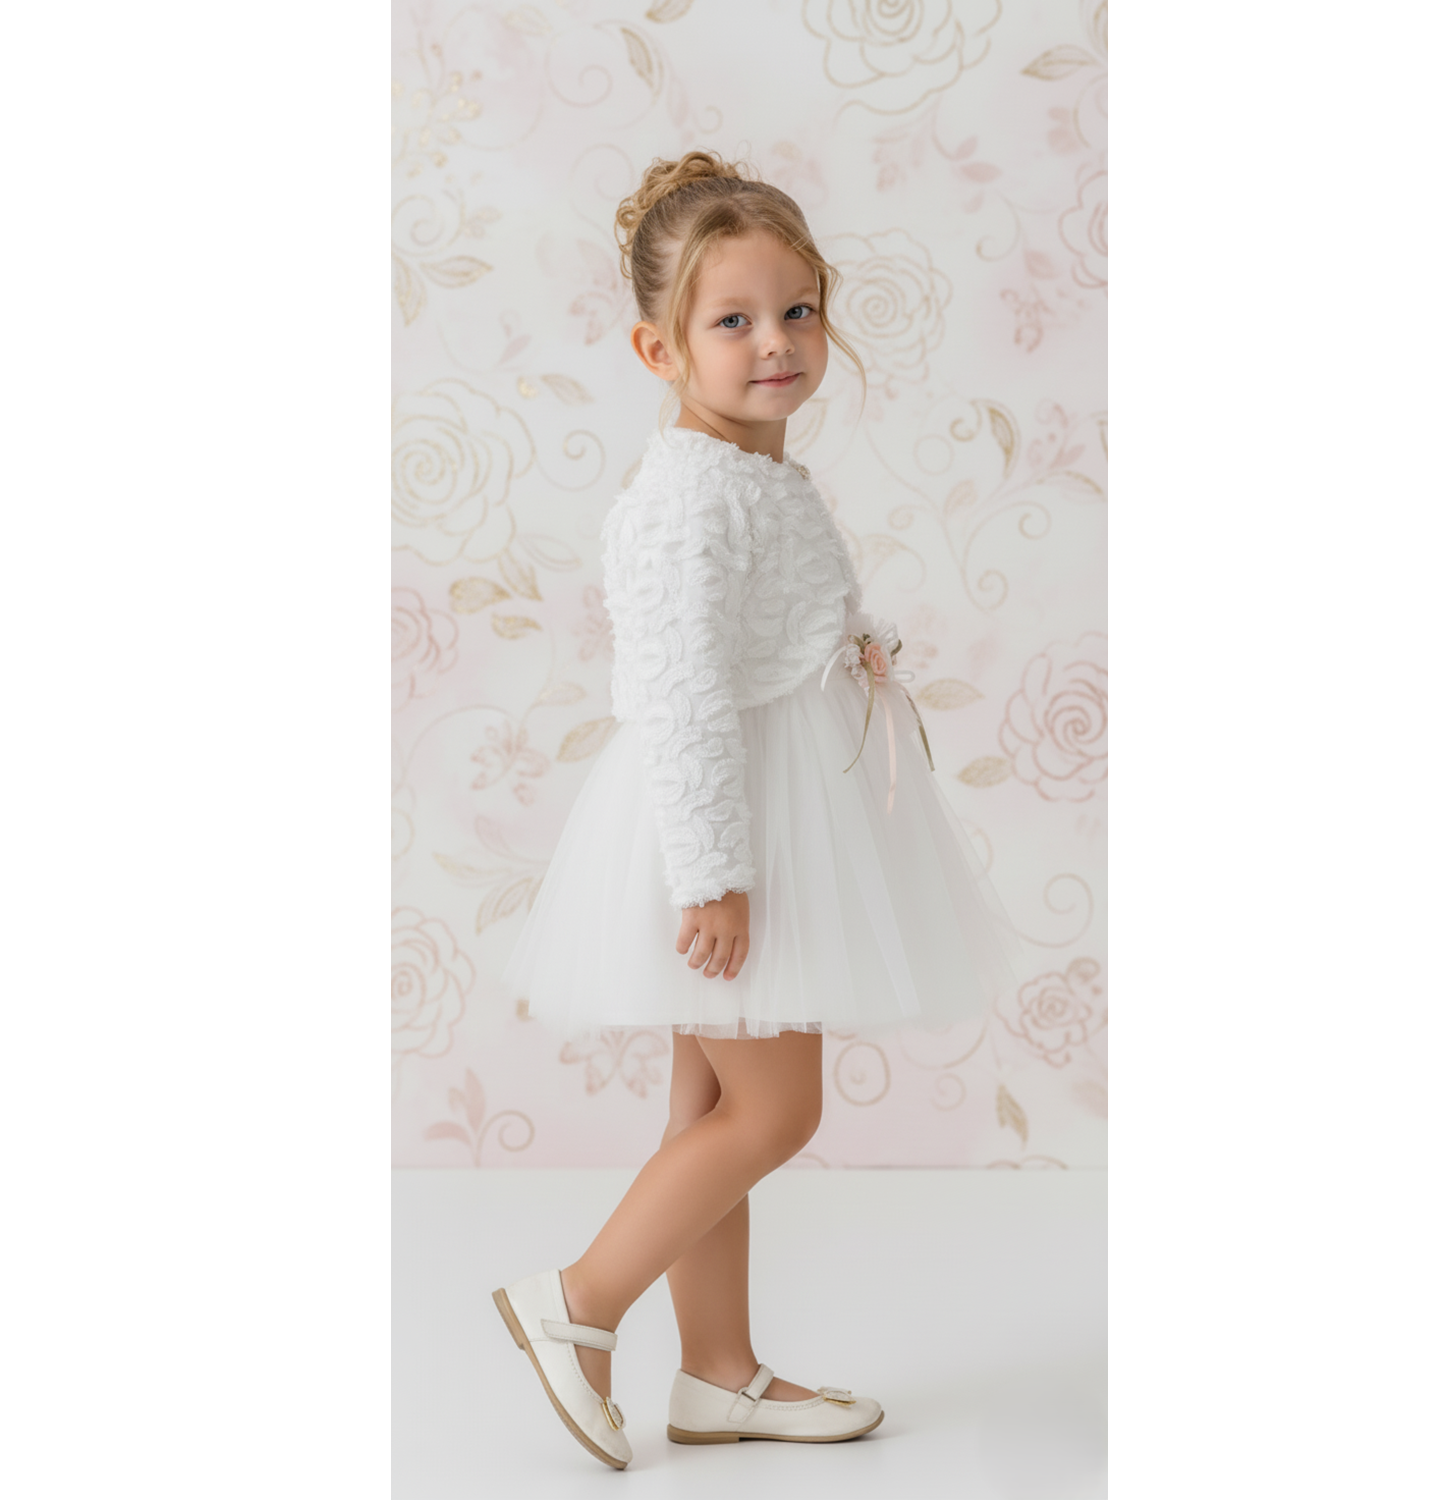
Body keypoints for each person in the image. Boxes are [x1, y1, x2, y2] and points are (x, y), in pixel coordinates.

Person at [491, 150, 1026, 1470]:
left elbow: (774, 632)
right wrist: (715, 877)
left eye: (797, 310)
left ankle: (718, 1375)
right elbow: (679, 697)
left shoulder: (750, 476)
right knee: (778, 1115)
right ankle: (578, 1303)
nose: (775, 342)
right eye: (731, 320)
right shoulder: (688, 501)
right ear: (658, 350)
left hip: (773, 807)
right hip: (731, 830)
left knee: (706, 1116)